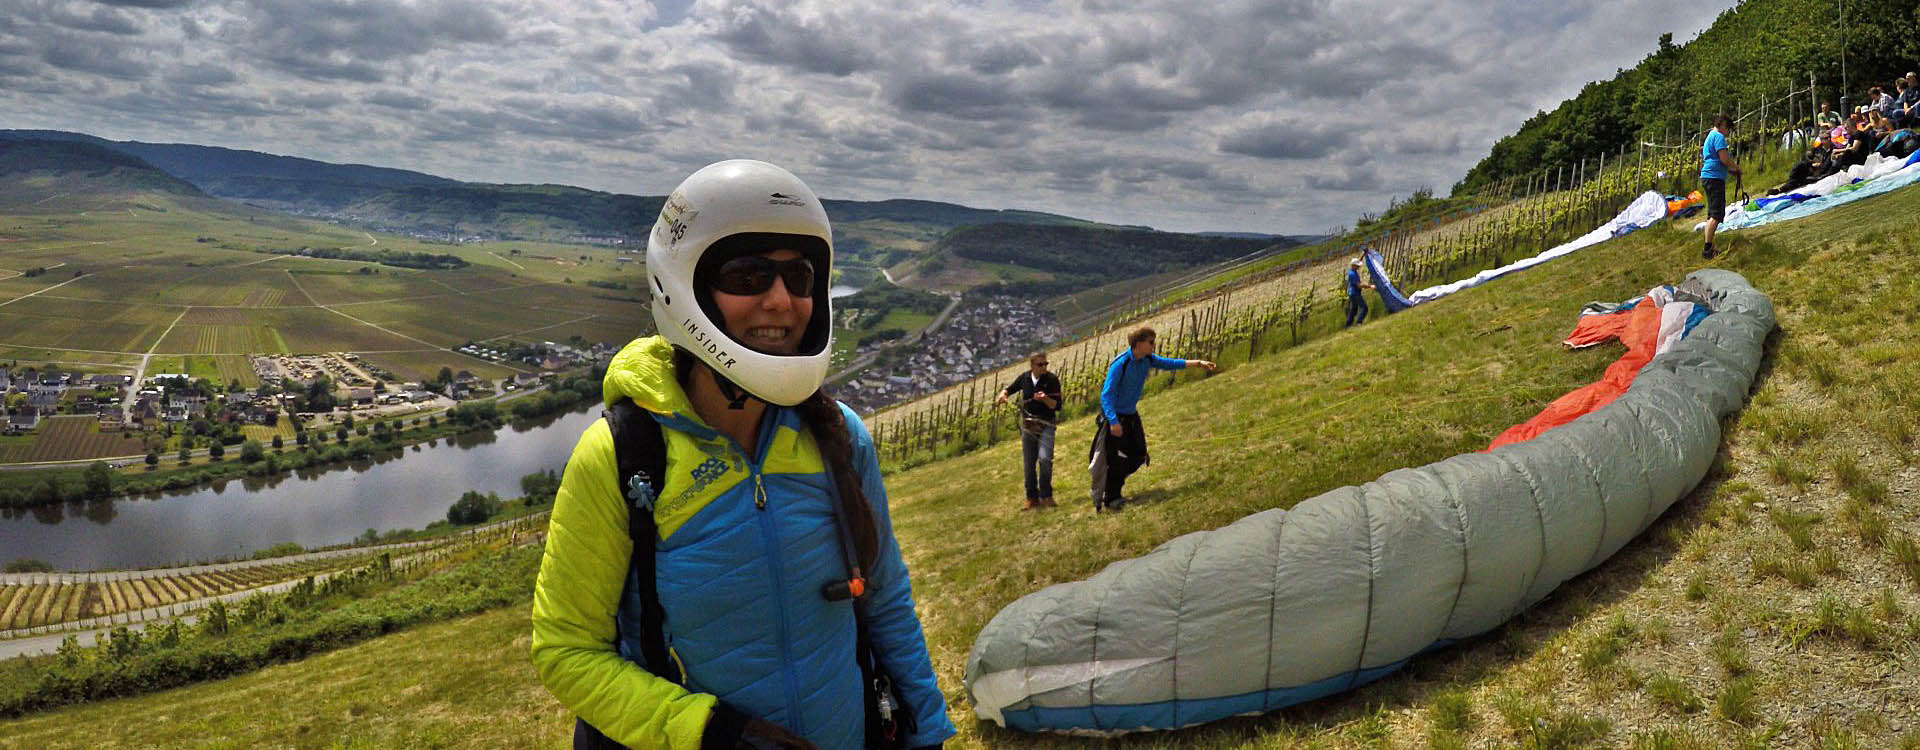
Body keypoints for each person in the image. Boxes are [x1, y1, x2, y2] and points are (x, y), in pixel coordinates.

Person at [531, 160, 954, 750]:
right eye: (748, 274)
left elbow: (884, 600)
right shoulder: (621, 456)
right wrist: (711, 733)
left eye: (800, 278)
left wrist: (925, 730)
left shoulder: (840, 438)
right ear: (685, 287)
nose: (782, 301)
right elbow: (567, 649)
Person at [1088, 327, 1216, 512]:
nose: (1154, 345)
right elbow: (1106, 396)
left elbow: (1169, 363)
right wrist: (1114, 422)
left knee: (1139, 455)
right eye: (1151, 342)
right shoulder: (1120, 365)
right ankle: (1111, 497)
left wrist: (1197, 363)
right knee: (1116, 459)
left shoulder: (1147, 359)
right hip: (1116, 418)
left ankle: (1114, 484)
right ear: (1139, 344)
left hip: (1131, 414)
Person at [995, 352, 1062, 510]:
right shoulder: (1024, 379)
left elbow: (1057, 406)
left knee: (1045, 459)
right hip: (1028, 426)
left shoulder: (1052, 380)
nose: (1044, 367)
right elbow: (1008, 390)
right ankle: (1032, 498)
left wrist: (1045, 399)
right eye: (1040, 365)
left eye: (1046, 364)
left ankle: (1046, 495)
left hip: (1046, 424)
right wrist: (1003, 396)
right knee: (1029, 463)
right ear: (1032, 366)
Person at [1699, 114, 1740, 260]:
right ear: (1722, 125)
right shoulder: (1718, 137)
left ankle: (1710, 246)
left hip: (1709, 177)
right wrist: (1736, 168)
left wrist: (1731, 171)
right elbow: (1723, 159)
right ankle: (1707, 249)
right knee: (1716, 214)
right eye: (1728, 128)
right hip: (1714, 178)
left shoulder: (1710, 136)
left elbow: (1717, 159)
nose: (1728, 132)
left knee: (1712, 213)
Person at [1343, 256, 1375, 327]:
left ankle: (1347, 325)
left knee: (1354, 310)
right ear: (1353, 265)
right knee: (1364, 308)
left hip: (1352, 293)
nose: (1358, 267)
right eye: (1357, 266)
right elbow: (1359, 285)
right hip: (1355, 294)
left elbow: (1358, 260)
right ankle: (1359, 322)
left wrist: (1363, 254)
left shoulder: (1352, 270)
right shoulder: (1352, 274)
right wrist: (1370, 286)